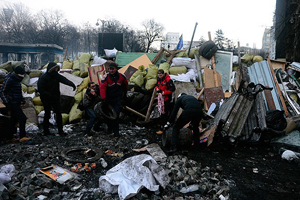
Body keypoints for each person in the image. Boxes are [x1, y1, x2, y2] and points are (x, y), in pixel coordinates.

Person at [37, 62, 76, 136]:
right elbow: (41, 90)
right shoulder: (43, 78)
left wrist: (72, 84)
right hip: (46, 99)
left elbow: (63, 79)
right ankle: (46, 131)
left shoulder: (56, 76)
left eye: (56, 69)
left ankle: (60, 131)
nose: (55, 70)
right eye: (54, 69)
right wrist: (49, 95)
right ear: (50, 69)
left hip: (55, 98)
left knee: (58, 114)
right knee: (47, 114)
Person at [0, 66, 31, 142]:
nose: (22, 76)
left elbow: (17, 92)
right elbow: (2, 91)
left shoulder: (17, 80)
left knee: (13, 120)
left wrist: (21, 100)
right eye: (21, 74)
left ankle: (9, 137)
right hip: (12, 103)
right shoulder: (9, 79)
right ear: (17, 73)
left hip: (16, 102)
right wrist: (7, 102)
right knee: (22, 118)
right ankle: (22, 136)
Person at [100, 62, 128, 137]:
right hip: (108, 99)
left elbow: (125, 87)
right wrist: (103, 99)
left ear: (116, 69)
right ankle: (109, 129)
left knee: (116, 115)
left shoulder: (122, 77)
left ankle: (116, 133)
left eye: (113, 69)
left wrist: (124, 98)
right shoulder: (106, 77)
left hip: (117, 99)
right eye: (110, 69)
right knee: (108, 115)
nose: (111, 70)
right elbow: (102, 87)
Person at [154, 69, 175, 133]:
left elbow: (173, 89)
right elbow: (156, 85)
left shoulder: (168, 80)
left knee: (165, 111)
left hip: (167, 98)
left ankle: (165, 126)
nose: (160, 76)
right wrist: (157, 89)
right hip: (161, 97)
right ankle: (161, 124)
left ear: (163, 74)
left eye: (161, 75)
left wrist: (164, 93)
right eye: (159, 75)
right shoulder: (158, 79)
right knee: (161, 111)